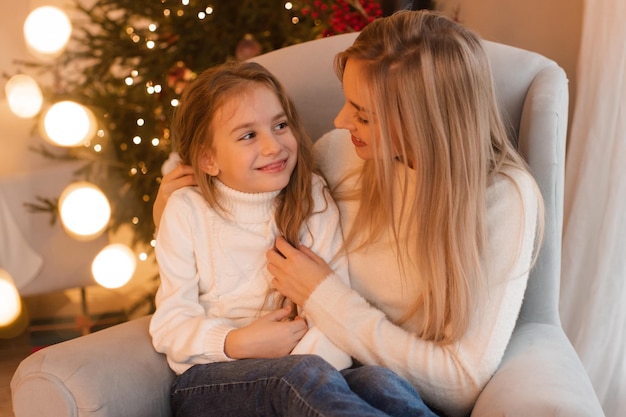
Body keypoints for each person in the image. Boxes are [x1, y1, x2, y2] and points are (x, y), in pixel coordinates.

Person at [154, 10, 543, 417]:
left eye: (363, 115)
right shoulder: (338, 155)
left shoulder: (502, 198)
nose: (339, 122)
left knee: (375, 382)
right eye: (348, 103)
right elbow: (191, 277)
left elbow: (460, 381)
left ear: (420, 123)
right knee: (302, 378)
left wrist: (323, 295)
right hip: (237, 375)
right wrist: (167, 213)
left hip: (327, 370)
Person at [150, 60, 435, 417]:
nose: (274, 146)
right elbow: (170, 325)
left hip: (306, 371)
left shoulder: (311, 198)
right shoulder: (186, 211)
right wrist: (237, 342)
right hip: (210, 381)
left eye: (280, 125)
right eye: (248, 135)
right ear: (208, 158)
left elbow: (333, 313)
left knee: (380, 380)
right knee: (300, 375)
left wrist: (298, 361)